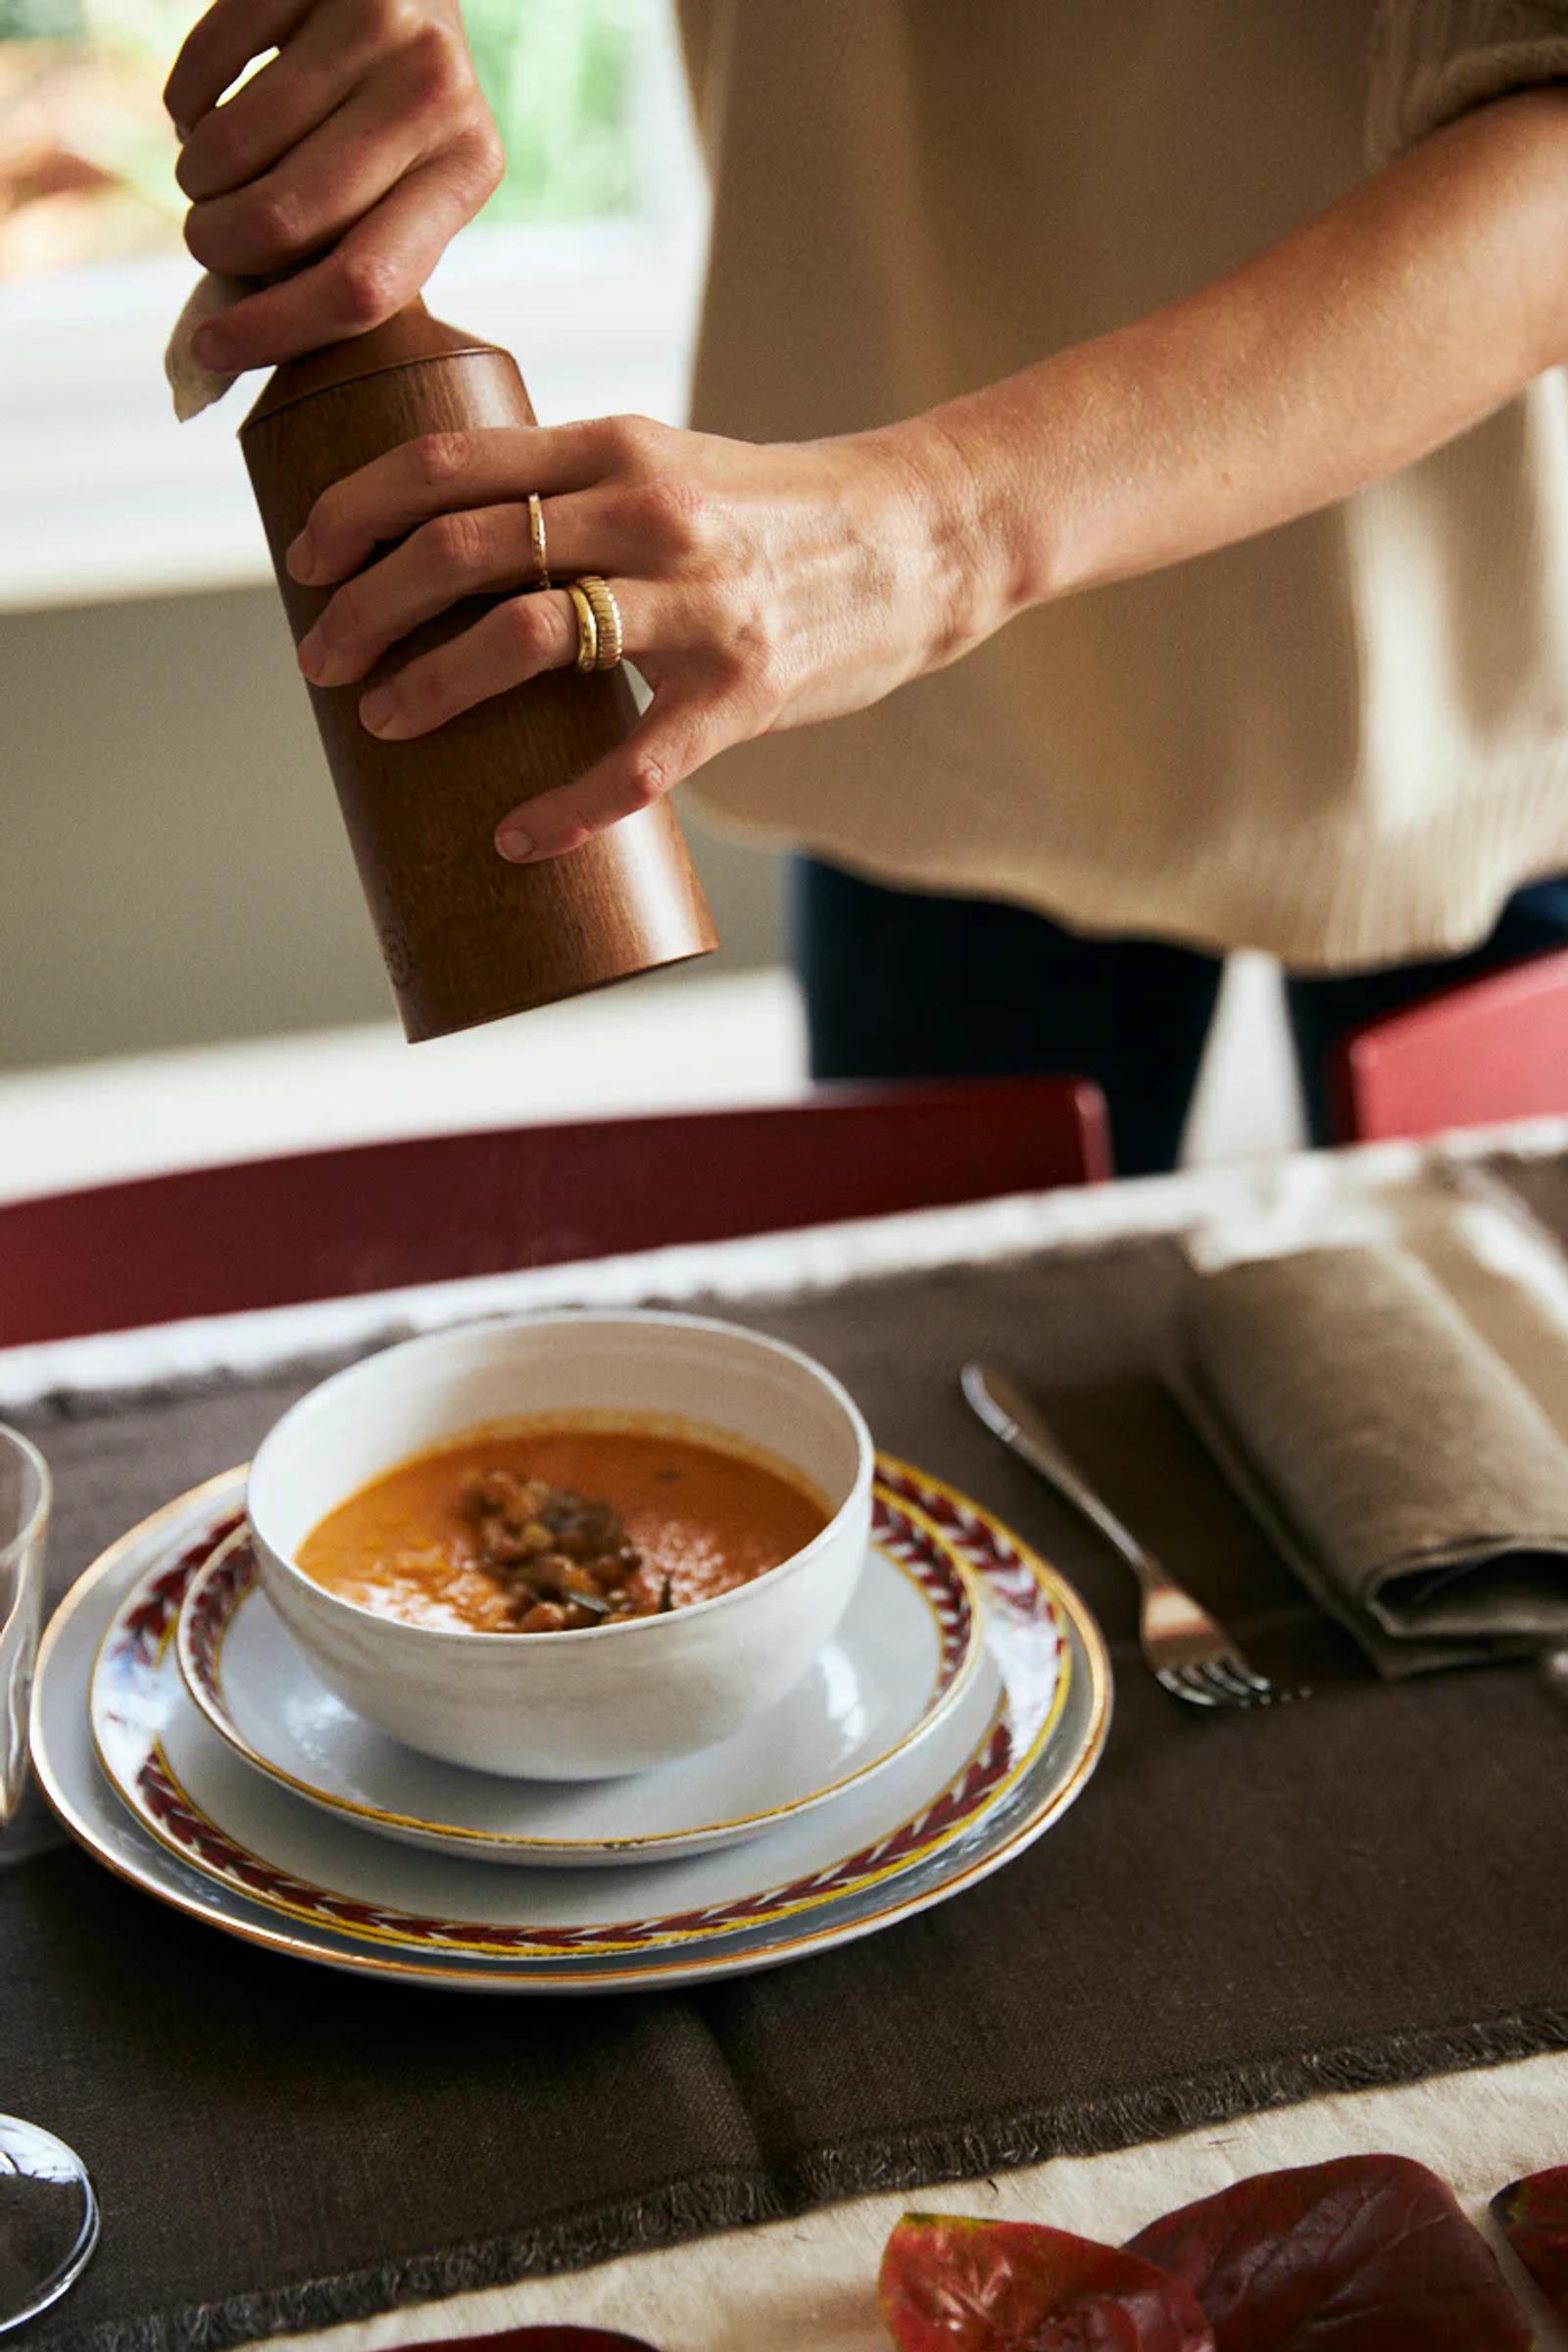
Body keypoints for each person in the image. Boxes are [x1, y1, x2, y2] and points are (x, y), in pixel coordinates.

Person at [166, 1, 1568, 1171]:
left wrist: (938, 535)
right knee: (947, 1429)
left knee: (1512, 1436)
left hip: (1479, 670)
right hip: (927, 708)